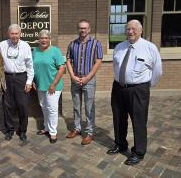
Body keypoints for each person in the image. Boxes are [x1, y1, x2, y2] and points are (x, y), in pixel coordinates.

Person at [107, 19, 162, 165]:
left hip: (138, 90)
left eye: (133, 29)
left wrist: (146, 86)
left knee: (138, 121)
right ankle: (120, 144)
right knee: (118, 118)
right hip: (118, 88)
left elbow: (157, 71)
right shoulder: (119, 47)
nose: (130, 32)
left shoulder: (149, 48)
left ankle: (138, 152)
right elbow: (116, 66)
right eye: (128, 29)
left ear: (140, 30)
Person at [65, 19, 103, 145]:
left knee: (89, 107)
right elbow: (68, 61)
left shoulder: (96, 44)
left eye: (85, 28)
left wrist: (88, 77)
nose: (83, 30)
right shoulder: (72, 44)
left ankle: (90, 132)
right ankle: (77, 128)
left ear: (89, 29)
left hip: (89, 80)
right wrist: (72, 76)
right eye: (81, 28)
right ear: (78, 29)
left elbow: (98, 62)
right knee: (76, 106)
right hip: (75, 79)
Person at [0, 24, 34, 142]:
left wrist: (29, 82)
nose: (14, 36)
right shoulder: (3, 45)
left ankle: (22, 130)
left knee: (23, 105)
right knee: (7, 105)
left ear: (20, 34)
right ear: (8, 34)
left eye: (16, 33)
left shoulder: (25, 46)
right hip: (7, 77)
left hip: (21, 78)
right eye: (12, 33)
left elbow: (30, 66)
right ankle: (9, 130)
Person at [32, 30, 65, 144]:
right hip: (40, 84)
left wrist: (54, 84)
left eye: (46, 38)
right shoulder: (35, 51)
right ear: (39, 39)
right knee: (43, 106)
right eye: (42, 38)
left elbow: (61, 68)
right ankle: (46, 127)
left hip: (53, 86)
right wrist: (33, 81)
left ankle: (53, 132)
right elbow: (32, 67)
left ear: (49, 39)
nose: (44, 40)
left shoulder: (55, 51)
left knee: (52, 108)